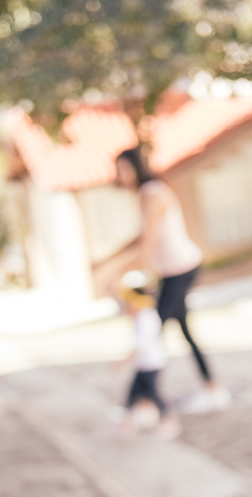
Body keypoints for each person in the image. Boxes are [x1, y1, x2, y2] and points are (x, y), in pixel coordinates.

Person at [97, 148, 231, 414]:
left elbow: (146, 248)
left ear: (137, 167)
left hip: (181, 269)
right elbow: (141, 238)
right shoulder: (145, 194)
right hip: (172, 271)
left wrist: (117, 276)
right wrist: (107, 259)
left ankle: (140, 402)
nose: (121, 176)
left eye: (124, 169)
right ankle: (212, 389)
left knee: (151, 331)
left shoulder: (153, 193)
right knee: (180, 331)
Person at [115, 282, 181, 440]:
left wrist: (122, 363)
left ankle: (168, 419)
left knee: (151, 393)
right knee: (136, 392)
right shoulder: (146, 315)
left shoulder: (144, 318)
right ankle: (129, 419)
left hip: (151, 363)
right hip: (147, 362)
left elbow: (139, 345)